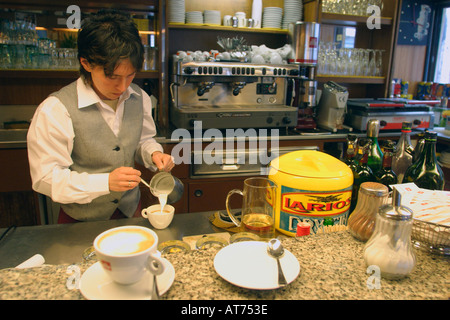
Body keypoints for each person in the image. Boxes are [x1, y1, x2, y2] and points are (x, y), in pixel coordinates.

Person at [27, 9, 174, 223]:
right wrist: (104, 183)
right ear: (86, 63)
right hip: (81, 222)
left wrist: (152, 153)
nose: (123, 86)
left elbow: (142, 139)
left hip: (129, 212)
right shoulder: (56, 109)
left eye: (130, 75)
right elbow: (46, 178)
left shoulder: (139, 97)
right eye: (112, 77)